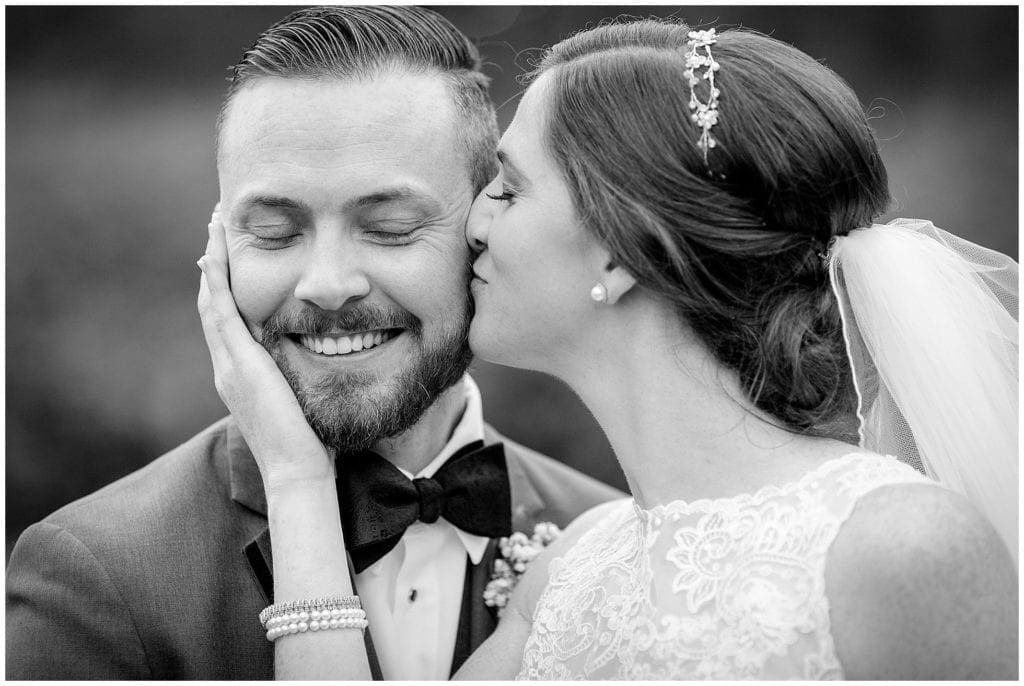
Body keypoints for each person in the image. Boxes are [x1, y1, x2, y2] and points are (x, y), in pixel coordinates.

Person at [196, 17, 1019, 681]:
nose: (472, 225)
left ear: (623, 251)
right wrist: (299, 481)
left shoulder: (897, 547)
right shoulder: (572, 573)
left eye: (508, 188)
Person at [5, 7, 622, 680]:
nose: (327, 286)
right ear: (221, 249)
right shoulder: (95, 575)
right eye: (274, 232)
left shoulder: (617, 552)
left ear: (485, 226)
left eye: (388, 227)